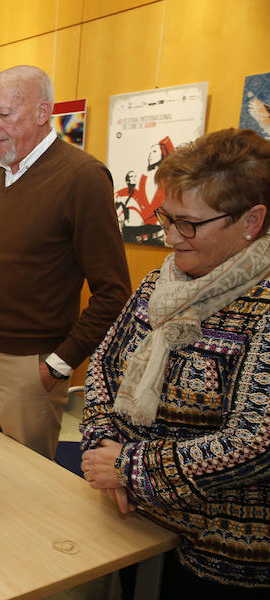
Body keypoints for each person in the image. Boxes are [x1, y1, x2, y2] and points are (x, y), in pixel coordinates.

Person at [80, 128, 270, 597]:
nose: (168, 236)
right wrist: (103, 448)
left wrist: (129, 467)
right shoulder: (159, 284)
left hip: (218, 554)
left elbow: (257, 443)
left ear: (252, 221)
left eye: (188, 224)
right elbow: (104, 369)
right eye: (166, 216)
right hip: (131, 521)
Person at [0, 65, 131, 460]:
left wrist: (60, 362)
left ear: (42, 113)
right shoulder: (1, 168)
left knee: (26, 481)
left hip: (31, 365)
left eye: (4, 114)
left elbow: (114, 292)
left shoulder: (83, 177)